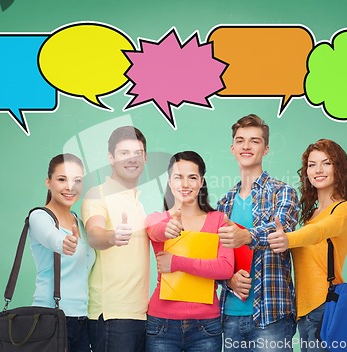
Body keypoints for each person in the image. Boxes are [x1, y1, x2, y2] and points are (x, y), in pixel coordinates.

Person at [217, 114, 300, 352]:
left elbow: (279, 232)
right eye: (240, 140)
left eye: (254, 141)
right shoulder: (224, 204)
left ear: (266, 149)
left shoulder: (283, 193)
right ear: (232, 148)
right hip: (231, 316)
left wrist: (247, 236)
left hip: (271, 315)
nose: (246, 146)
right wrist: (228, 280)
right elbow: (214, 257)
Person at [268, 139, 347, 352]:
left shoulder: (345, 208)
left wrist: (288, 239)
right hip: (304, 313)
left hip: (326, 308)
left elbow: (319, 232)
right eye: (311, 164)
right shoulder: (310, 216)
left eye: (326, 163)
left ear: (339, 168)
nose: (318, 170)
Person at [144, 151, 234, 352]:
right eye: (178, 177)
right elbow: (155, 231)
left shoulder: (218, 219)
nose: (185, 184)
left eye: (192, 177)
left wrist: (176, 262)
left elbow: (226, 268)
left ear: (201, 182)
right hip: (161, 324)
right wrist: (167, 228)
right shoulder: (157, 218)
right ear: (169, 181)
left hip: (206, 325)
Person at [81, 126, 150, 352]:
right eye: (123, 153)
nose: (132, 159)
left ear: (145, 158)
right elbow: (94, 234)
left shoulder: (139, 203)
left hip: (141, 313)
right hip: (112, 315)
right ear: (111, 158)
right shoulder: (97, 194)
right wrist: (113, 236)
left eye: (137, 152)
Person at [28, 153, 95, 352]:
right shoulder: (39, 216)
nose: (70, 187)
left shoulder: (80, 223)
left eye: (77, 180)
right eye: (62, 179)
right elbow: (52, 238)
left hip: (82, 320)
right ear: (48, 182)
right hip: (50, 318)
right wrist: (63, 242)